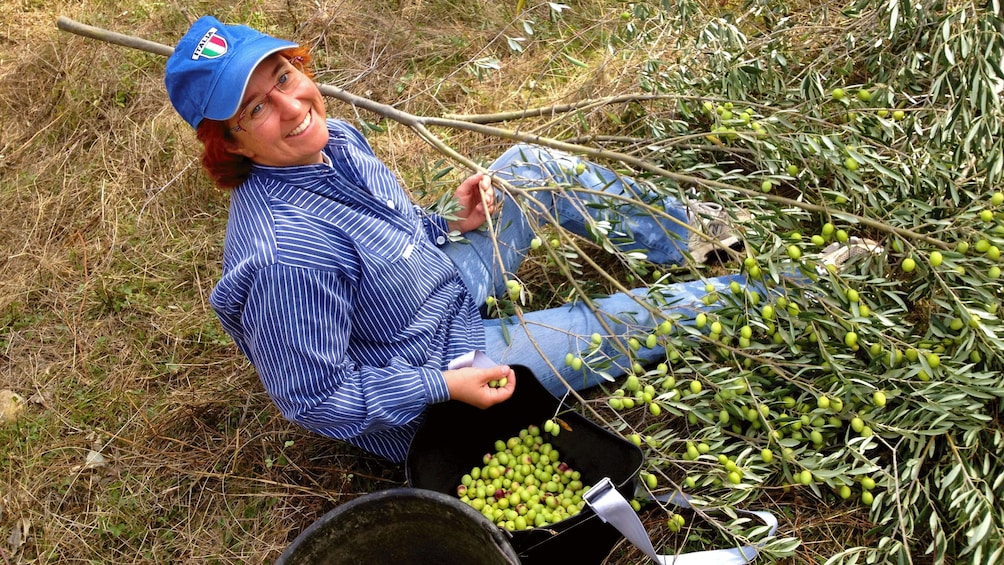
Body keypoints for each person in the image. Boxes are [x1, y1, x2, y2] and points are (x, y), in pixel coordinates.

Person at [163, 16, 874, 463]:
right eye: (257, 107)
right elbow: (315, 396)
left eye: (286, 76)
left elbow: (395, 233)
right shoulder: (288, 253)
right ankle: (804, 286)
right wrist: (444, 385)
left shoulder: (337, 141)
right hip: (441, 371)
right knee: (625, 322)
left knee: (525, 169)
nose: (293, 107)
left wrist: (455, 224)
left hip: (439, 284)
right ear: (231, 143)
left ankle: (702, 238)